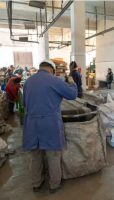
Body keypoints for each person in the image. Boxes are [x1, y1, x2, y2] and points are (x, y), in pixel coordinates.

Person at [23, 59, 77, 194]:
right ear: (52, 70)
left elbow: (24, 103)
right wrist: (71, 81)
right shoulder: (55, 81)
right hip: (49, 124)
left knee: (35, 156)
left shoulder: (28, 82)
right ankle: (54, 185)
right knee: (53, 155)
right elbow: (72, 95)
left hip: (31, 124)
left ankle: (36, 184)